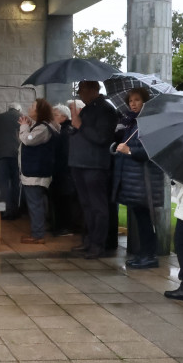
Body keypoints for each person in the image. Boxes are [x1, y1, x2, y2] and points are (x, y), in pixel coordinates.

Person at [110, 88, 164, 269]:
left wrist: (130, 151)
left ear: (145, 102)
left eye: (137, 100)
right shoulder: (132, 123)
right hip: (134, 179)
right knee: (141, 219)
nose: (132, 104)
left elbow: (152, 151)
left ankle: (149, 255)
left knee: (145, 220)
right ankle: (144, 253)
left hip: (144, 180)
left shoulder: (149, 124)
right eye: (130, 100)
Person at [68, 81, 118, 259]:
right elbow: (79, 132)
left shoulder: (105, 109)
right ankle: (88, 240)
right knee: (86, 206)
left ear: (93, 90)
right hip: (80, 163)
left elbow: (101, 137)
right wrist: (73, 123)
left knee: (98, 207)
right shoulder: (88, 108)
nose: (79, 93)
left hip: (94, 164)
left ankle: (99, 243)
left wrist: (80, 125)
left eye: (81, 90)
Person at [18, 99, 60, 244]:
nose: (30, 108)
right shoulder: (43, 126)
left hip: (35, 173)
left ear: (39, 111)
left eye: (33, 106)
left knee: (35, 204)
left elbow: (28, 139)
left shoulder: (42, 128)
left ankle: (37, 235)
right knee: (38, 203)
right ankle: (38, 231)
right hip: (36, 171)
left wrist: (24, 127)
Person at [48, 104, 80, 235]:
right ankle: (60, 225)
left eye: (55, 115)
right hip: (61, 172)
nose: (53, 118)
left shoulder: (66, 132)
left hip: (64, 172)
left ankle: (65, 227)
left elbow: (65, 153)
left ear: (63, 117)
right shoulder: (61, 130)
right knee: (59, 200)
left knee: (64, 201)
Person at [0, 103, 22, 220]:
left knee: (3, 184)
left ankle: (5, 211)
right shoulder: (22, 116)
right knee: (17, 183)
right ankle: (15, 210)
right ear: (19, 109)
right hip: (16, 155)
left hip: (1, 155)